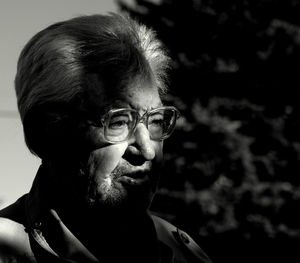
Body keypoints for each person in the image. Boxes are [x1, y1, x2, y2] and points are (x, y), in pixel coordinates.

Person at [0, 13, 212, 263]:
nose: (147, 150)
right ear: (45, 132)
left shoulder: (182, 252)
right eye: (119, 122)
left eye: (155, 120)